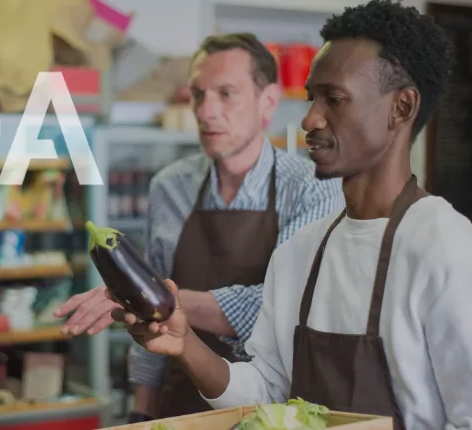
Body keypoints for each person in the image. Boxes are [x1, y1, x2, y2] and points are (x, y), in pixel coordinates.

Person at [111, 1, 472, 429]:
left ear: (402, 107)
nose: (308, 120)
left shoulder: (452, 257)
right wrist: (185, 343)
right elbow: (268, 392)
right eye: (310, 98)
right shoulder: (299, 255)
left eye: (334, 100)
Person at [53, 33, 345, 421]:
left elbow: (280, 305)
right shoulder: (169, 187)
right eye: (197, 94)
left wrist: (144, 297)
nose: (206, 111)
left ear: (268, 101)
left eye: (226, 93)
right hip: (180, 411)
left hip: (271, 414)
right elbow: (148, 331)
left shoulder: (314, 189)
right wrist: (142, 413)